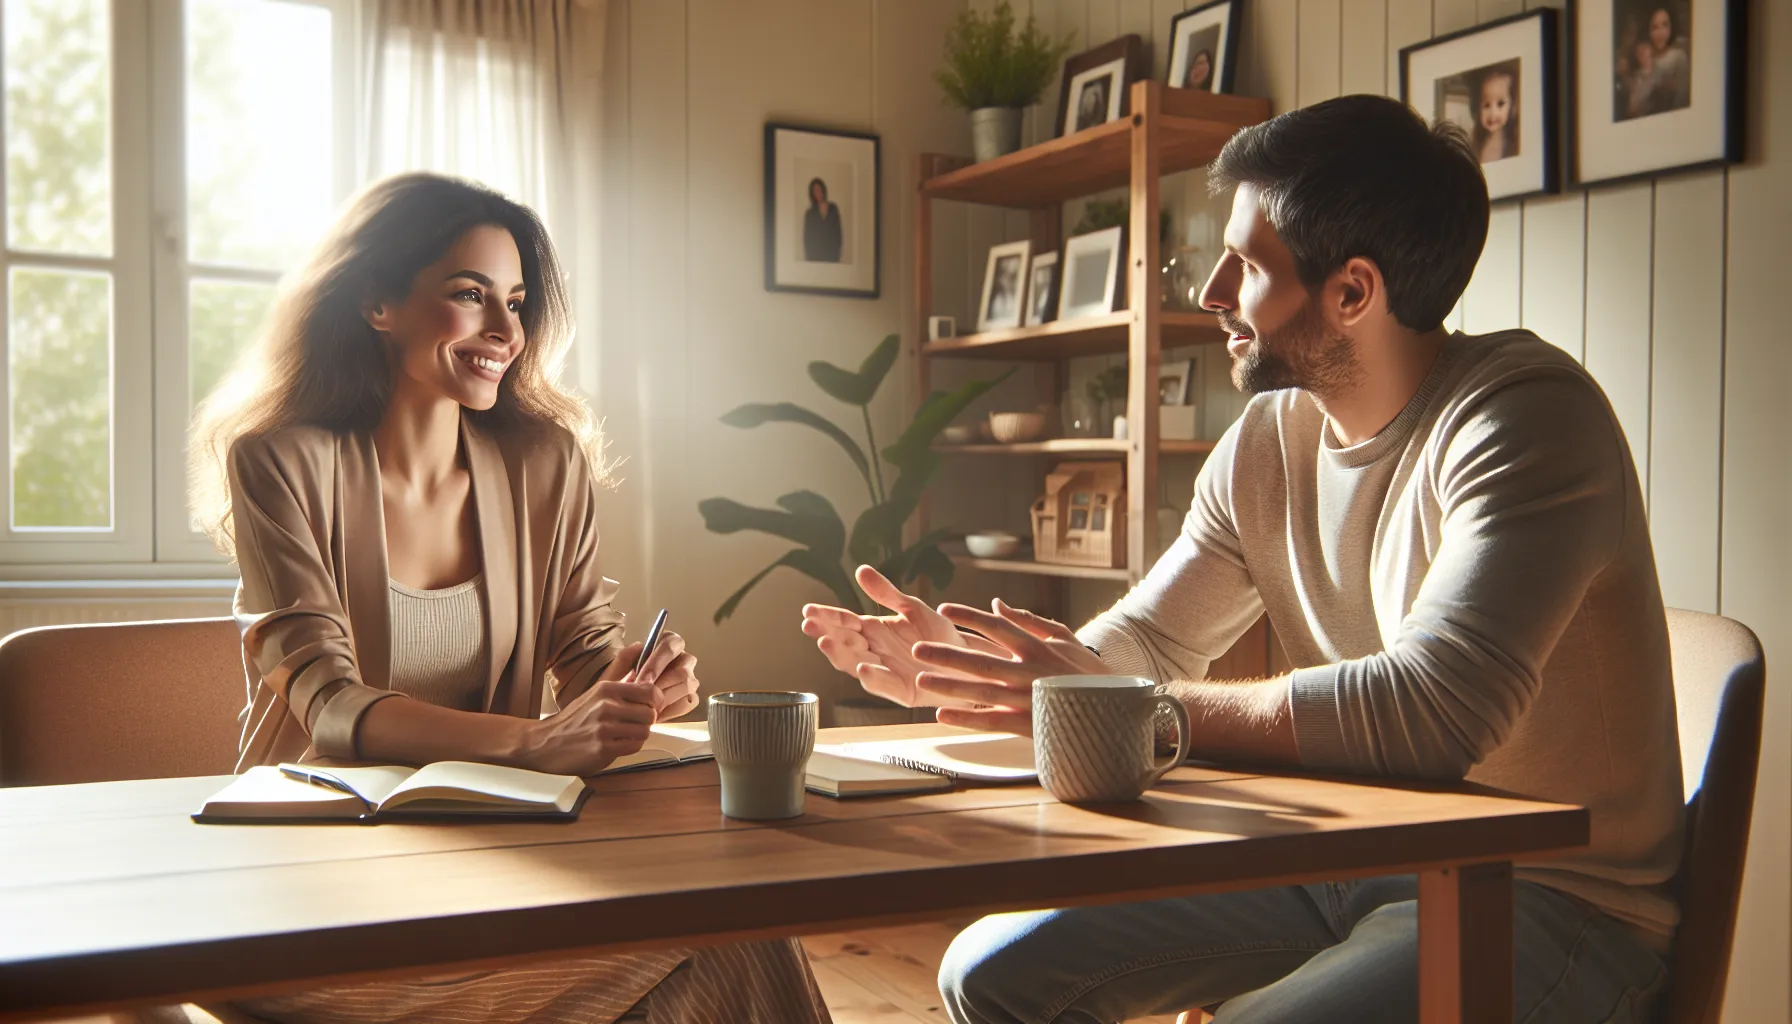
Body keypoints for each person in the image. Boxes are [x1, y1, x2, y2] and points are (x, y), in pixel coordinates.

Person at [802, 94, 1679, 1023]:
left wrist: (1136, 712)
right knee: (990, 969)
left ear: (1352, 293)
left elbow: (1433, 711)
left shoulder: (1526, 421)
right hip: (1343, 857)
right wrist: (993, 672)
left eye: (1245, 265)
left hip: (1547, 896)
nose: (1210, 292)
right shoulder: (1268, 437)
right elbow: (1150, 637)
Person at [189, 172, 833, 1024]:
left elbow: (583, 638)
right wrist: (534, 744)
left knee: (734, 936)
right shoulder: (278, 461)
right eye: (469, 295)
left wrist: (631, 679)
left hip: (490, 860)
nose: (505, 331)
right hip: (305, 883)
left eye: (518, 302)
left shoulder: (544, 461)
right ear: (378, 301)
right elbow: (329, 704)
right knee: (719, 939)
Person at [1472, 67, 1517, 163]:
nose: (1493, 113)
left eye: (1500, 104)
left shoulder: (1513, 145)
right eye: (1486, 105)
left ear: (1512, 106)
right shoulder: (1476, 146)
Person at [802, 177, 843, 262]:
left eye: (819, 189)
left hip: (832, 255)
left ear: (823, 190)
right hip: (815, 257)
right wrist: (809, 257)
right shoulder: (810, 213)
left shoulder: (833, 208)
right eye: (815, 190)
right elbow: (807, 237)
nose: (818, 192)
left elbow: (838, 232)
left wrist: (838, 253)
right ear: (812, 194)